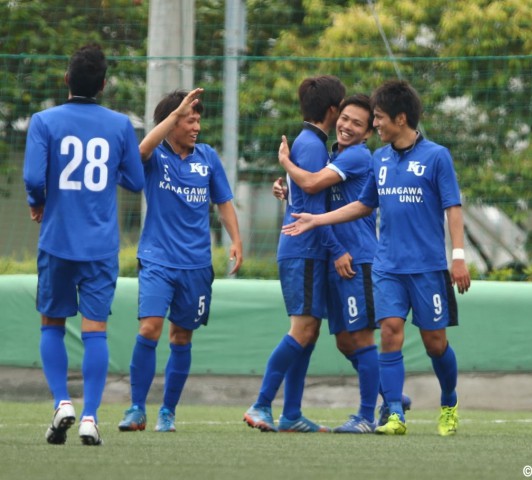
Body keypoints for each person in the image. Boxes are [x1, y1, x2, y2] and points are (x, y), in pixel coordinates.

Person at [281, 79, 471, 436]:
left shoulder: (436, 156)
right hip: (387, 267)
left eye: (380, 118)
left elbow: (453, 208)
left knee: (435, 343)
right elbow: (363, 204)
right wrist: (317, 218)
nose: (375, 124)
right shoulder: (379, 159)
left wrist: (457, 256)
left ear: (401, 119)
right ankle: (395, 414)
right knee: (389, 332)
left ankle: (449, 399)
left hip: (428, 267)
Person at [23, 43, 145, 446]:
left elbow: (34, 180)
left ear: (66, 80)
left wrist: (38, 202)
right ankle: (91, 416)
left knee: (51, 324)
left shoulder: (43, 121)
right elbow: (135, 181)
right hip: (100, 246)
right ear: (104, 85)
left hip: (57, 240)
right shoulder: (119, 124)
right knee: (96, 332)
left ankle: (62, 403)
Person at [117, 88, 243, 433]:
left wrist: (236, 240)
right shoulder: (155, 156)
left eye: (197, 119)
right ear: (172, 123)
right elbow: (139, 150)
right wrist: (172, 115)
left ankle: (167, 412)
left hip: (197, 265)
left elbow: (224, 201)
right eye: (190, 119)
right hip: (157, 259)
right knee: (149, 328)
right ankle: (136, 409)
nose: (196, 126)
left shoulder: (207, 157)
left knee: (181, 338)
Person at [243, 75, 346, 433]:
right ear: (333, 110)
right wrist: (337, 251)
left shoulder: (308, 143)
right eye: (343, 111)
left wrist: (284, 186)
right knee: (301, 329)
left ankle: (291, 414)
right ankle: (260, 404)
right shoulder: (313, 145)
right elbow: (312, 209)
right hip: (303, 249)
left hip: (306, 250)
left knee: (309, 331)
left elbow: (301, 197)